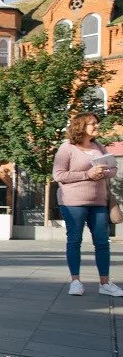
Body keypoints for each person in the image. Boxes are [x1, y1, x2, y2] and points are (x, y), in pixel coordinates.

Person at [53, 111, 123, 297]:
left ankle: (105, 283)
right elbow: (58, 175)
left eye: (96, 123)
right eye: (93, 124)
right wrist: (88, 175)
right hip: (73, 202)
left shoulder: (99, 147)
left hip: (99, 201)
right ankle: (75, 282)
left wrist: (103, 173)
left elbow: (114, 168)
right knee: (74, 240)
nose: (96, 127)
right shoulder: (66, 148)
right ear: (81, 127)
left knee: (102, 242)